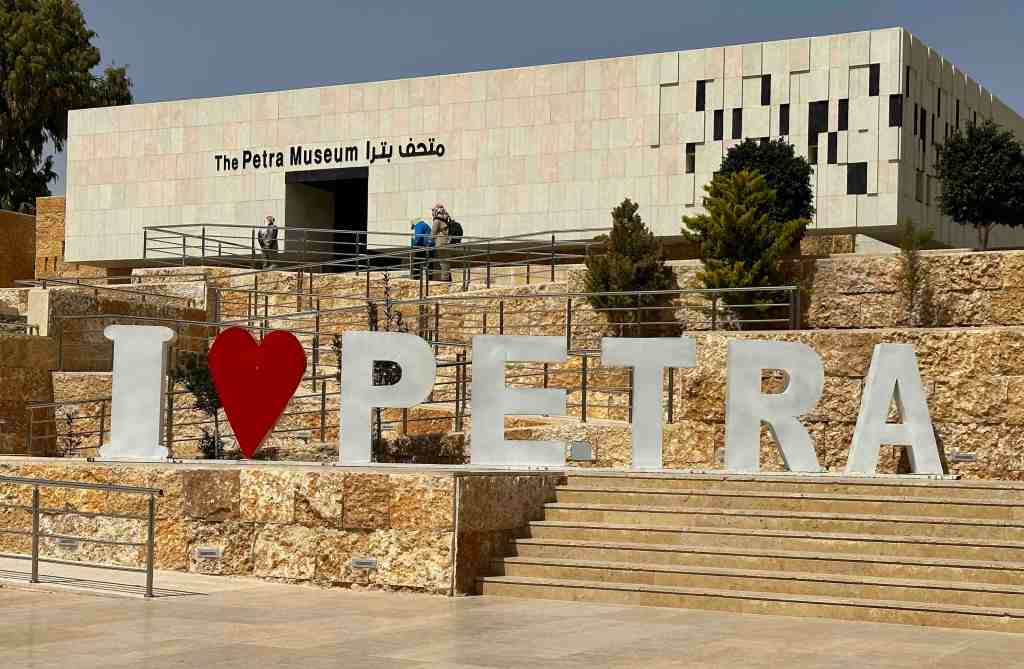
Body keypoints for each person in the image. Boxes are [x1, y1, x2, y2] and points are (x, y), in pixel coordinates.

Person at [430, 203, 452, 281]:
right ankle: (447, 278)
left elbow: (433, 233)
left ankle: (444, 279)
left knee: (442, 262)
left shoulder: (437, 220)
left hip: (440, 243)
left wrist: (430, 241)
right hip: (447, 242)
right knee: (446, 262)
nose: (432, 212)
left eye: (433, 210)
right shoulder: (446, 218)